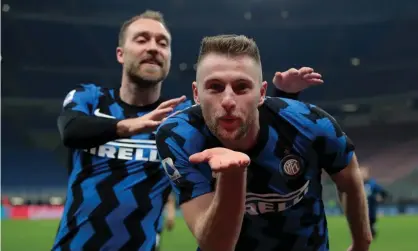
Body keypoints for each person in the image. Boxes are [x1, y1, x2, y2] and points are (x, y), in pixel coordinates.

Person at [52, 10, 323, 251]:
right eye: (142, 39)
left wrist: (284, 95)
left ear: (169, 57)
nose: (154, 47)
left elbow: (244, 130)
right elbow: (71, 130)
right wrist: (129, 126)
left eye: (163, 43)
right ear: (120, 53)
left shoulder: (177, 125)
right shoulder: (89, 98)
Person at [156, 34, 373, 251]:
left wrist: (362, 242)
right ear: (196, 93)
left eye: (242, 87)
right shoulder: (178, 136)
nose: (228, 101)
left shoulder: (311, 124)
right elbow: (216, 246)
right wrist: (232, 175)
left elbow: (349, 178)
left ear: (261, 93)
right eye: (215, 86)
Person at [341, 166, 389, 238]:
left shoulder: (372, 184)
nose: (362, 174)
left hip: (370, 210)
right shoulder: (355, 183)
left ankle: (370, 234)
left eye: (364, 173)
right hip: (358, 210)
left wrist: (379, 199)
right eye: (360, 172)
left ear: (367, 174)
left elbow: (383, 193)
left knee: (369, 227)